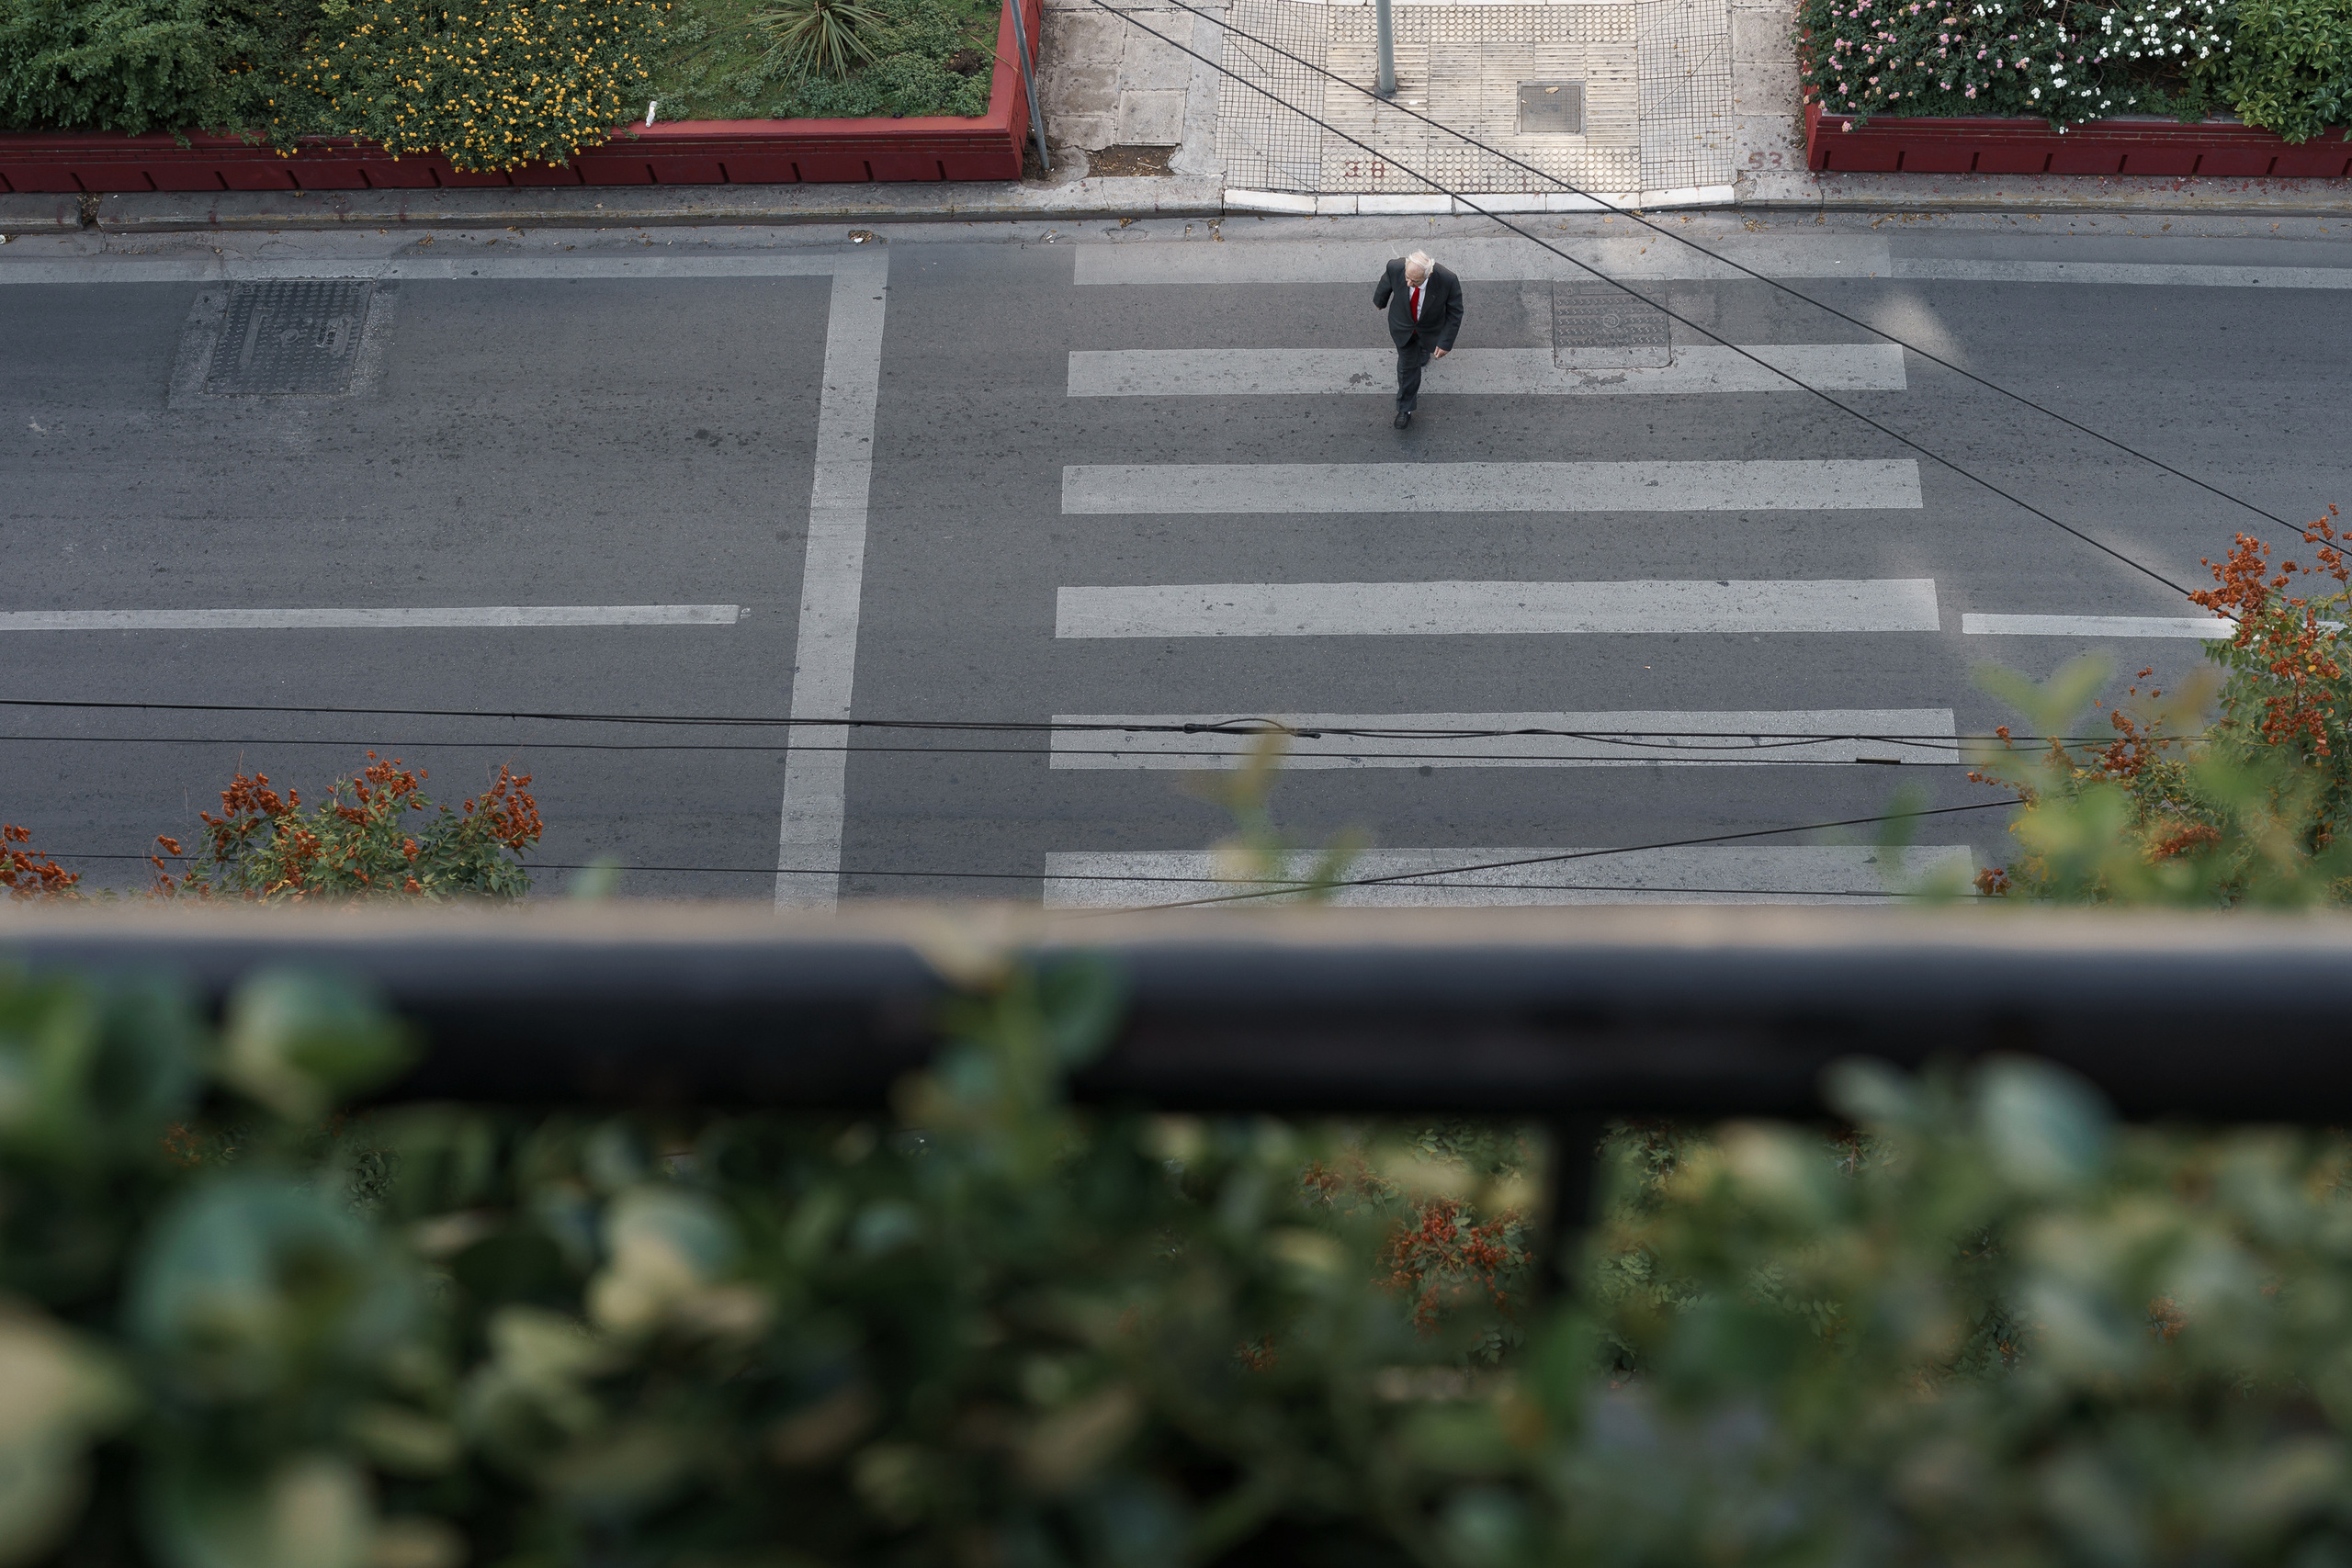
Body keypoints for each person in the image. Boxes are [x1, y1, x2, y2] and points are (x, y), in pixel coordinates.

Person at [1372, 249, 1463, 430]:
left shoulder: (1448, 280)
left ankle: (1423, 349)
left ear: (1429, 274)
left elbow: (1455, 312)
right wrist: (1380, 301)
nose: (1408, 283)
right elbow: (1386, 282)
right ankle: (1405, 409)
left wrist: (1445, 343)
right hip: (1403, 326)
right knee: (1408, 368)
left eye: (1415, 281)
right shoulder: (1395, 267)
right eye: (1407, 278)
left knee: (1423, 347)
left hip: (1429, 328)